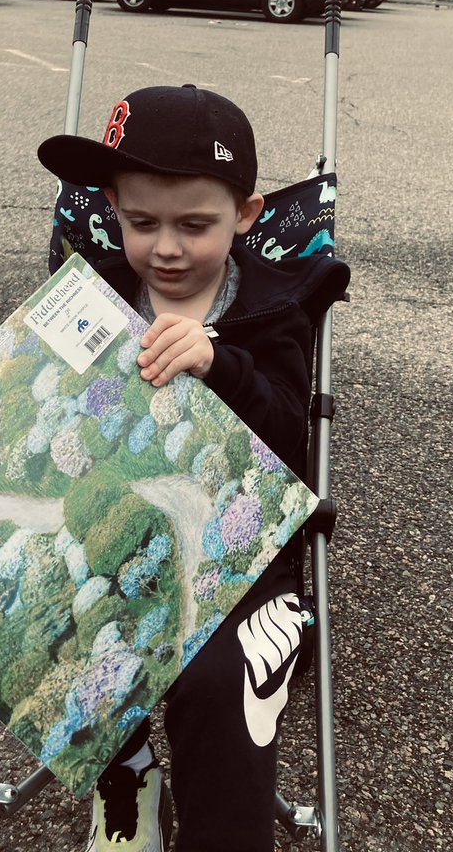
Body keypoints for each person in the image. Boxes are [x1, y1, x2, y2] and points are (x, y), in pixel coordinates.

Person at [37, 84, 350, 852]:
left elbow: (290, 437)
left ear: (246, 215)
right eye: (140, 222)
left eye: (196, 225)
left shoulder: (274, 308)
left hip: (246, 562)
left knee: (218, 680)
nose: (167, 248)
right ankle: (128, 774)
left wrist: (221, 363)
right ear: (110, 204)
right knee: (56, 623)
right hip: (119, 533)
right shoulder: (94, 293)